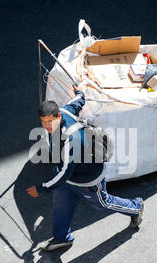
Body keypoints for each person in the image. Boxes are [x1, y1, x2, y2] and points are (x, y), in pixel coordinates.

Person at [27, 84, 144, 251]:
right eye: (43, 122)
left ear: (58, 116)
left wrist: (42, 188)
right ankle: (62, 238)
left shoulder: (70, 140)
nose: (46, 126)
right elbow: (77, 102)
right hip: (69, 178)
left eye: (50, 121)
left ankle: (135, 207)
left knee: (103, 203)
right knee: (61, 206)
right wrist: (79, 92)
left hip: (88, 180)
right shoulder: (65, 110)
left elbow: (64, 172)